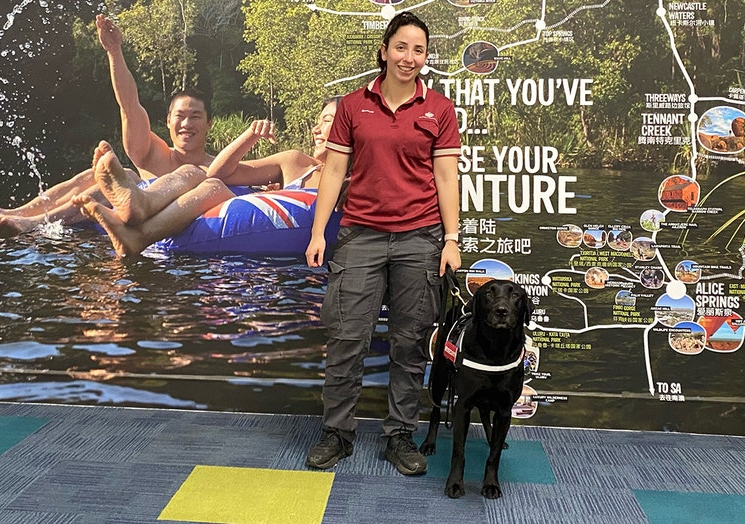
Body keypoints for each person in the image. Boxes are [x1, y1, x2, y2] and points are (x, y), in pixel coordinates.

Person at [303, 12, 461, 475]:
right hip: (359, 237)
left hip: (421, 239)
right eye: (401, 47)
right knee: (347, 338)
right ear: (384, 50)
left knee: (410, 344)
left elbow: (447, 177)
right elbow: (333, 171)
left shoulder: (440, 110)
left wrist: (451, 239)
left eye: (419, 50)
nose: (409, 58)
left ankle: (399, 435)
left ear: (426, 58)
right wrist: (318, 231)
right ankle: (337, 432)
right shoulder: (354, 106)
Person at [0, 15, 213, 234]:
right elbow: (129, 105)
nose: (186, 123)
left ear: (210, 124)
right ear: (168, 121)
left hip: (158, 221)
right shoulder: (153, 154)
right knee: (93, 175)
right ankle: (14, 212)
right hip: (115, 217)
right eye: (180, 116)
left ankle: (34, 223)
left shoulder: (218, 166)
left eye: (196, 116)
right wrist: (114, 52)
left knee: (125, 175)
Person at [72, 97, 341, 257]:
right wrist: (249, 135)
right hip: (237, 201)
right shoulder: (295, 163)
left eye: (327, 121)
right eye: (318, 121)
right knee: (198, 173)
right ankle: (140, 204)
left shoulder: (355, 183)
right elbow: (219, 172)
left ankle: (139, 234)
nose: (316, 129)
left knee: (212, 186)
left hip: (257, 219)